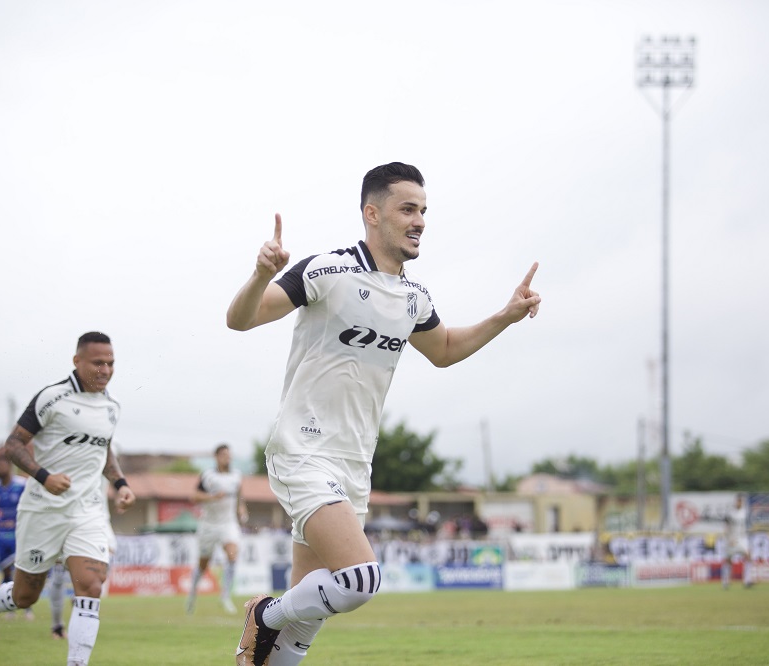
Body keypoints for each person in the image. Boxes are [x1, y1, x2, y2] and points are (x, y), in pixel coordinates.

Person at [226, 162, 541, 665]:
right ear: (372, 214)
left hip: (355, 462)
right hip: (304, 450)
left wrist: (504, 316)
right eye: (407, 209)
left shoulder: (413, 296)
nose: (419, 221)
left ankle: (269, 636)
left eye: (423, 211)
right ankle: (262, 615)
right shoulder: (326, 271)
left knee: (306, 619)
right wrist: (262, 273)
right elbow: (241, 319)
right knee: (358, 580)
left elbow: (445, 349)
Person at [0, 331, 135, 666]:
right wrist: (44, 476)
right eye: (97, 362)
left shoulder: (111, 407)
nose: (105, 369)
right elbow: (14, 444)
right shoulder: (52, 398)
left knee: (90, 585)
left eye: (111, 363)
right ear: (77, 362)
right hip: (42, 511)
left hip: (87, 511)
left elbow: (103, 450)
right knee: (25, 595)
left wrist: (120, 483)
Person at [49, 450, 120, 640]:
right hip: (66, 519)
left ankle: (79, 600)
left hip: (98, 519)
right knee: (55, 577)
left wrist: (121, 488)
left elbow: (113, 469)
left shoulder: (106, 443)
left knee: (106, 563)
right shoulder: (69, 450)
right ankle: (57, 625)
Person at [186, 443, 248, 615]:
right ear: (217, 457)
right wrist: (213, 497)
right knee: (203, 564)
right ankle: (192, 594)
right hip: (208, 525)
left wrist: (242, 509)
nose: (227, 458)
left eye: (229, 455)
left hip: (228, 523)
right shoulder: (208, 476)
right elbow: (194, 496)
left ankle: (225, 596)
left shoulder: (236, 476)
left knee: (232, 555)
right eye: (224, 455)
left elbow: (240, 497)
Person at [0, 455, 34, 620]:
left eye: (0, 465)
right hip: (1, 536)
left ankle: (28, 607)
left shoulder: (21, 484)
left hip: (19, 535)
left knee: (22, 570)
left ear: (9, 466)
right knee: (5, 572)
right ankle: (9, 608)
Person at [721, 493, 752, 589]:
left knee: (748, 556)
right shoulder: (730, 513)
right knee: (728, 560)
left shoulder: (745, 512)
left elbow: (748, 525)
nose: (739, 503)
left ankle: (747, 581)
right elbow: (726, 527)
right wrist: (728, 538)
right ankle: (725, 582)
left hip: (742, 538)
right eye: (738, 501)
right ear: (735, 502)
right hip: (732, 538)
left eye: (741, 501)